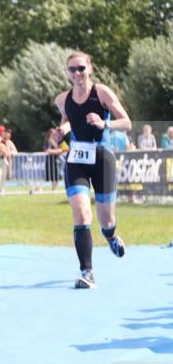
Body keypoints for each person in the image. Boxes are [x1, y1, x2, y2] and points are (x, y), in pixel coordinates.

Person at [54, 51, 132, 289]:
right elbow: (68, 119)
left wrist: (104, 123)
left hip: (102, 157)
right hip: (77, 158)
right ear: (68, 72)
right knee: (81, 214)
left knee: (106, 219)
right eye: (72, 69)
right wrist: (63, 131)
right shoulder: (62, 98)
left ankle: (110, 236)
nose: (77, 73)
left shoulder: (102, 92)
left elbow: (126, 122)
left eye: (81, 68)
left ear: (90, 69)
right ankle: (87, 272)